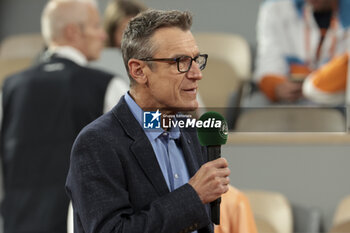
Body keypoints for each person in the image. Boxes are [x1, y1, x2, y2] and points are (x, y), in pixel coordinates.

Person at [66, 9, 231, 233]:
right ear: (139, 71)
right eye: (180, 62)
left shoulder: (192, 132)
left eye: (196, 60)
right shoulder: (97, 143)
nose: (196, 73)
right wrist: (193, 196)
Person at [0, 0, 127, 232]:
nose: (102, 35)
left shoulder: (8, 89)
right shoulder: (107, 86)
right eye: (96, 26)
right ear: (73, 31)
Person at [252, 0, 348, 105]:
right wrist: (276, 87)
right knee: (253, 104)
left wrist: (315, 85)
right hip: (290, 101)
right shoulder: (275, 9)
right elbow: (268, 62)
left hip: (337, 102)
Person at [90, 0, 146, 83]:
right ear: (111, 32)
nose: (131, 39)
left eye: (136, 32)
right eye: (124, 32)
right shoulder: (97, 62)